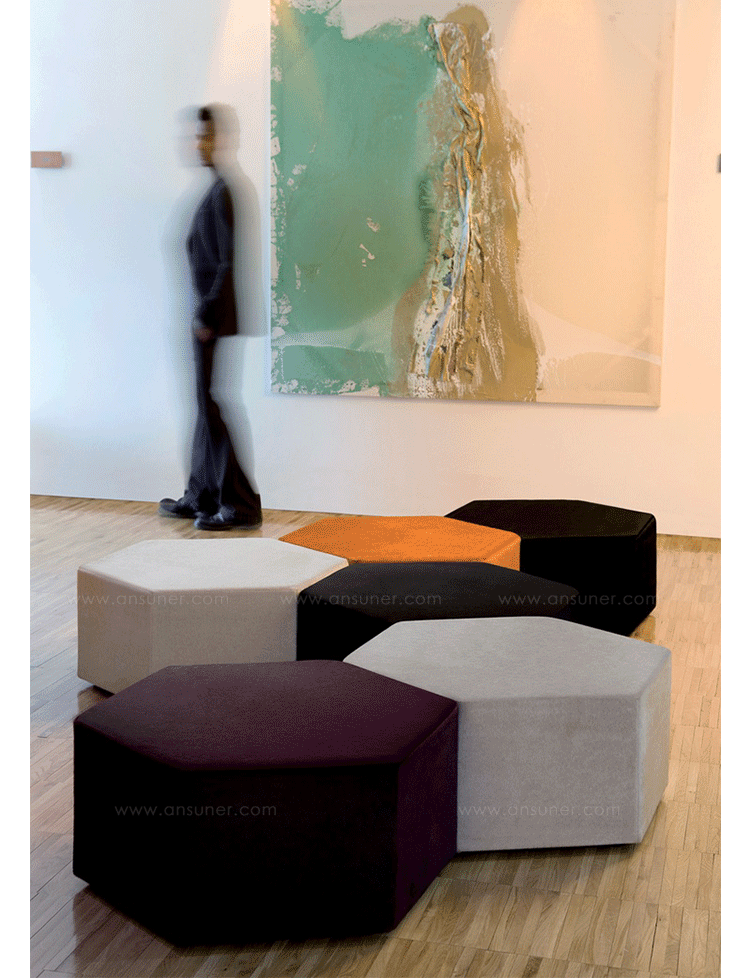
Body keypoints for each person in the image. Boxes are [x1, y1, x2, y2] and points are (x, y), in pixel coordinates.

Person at [159, 105, 262, 530]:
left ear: (221, 140)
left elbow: (226, 260)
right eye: (194, 136)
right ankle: (201, 495)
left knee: (212, 405)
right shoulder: (215, 189)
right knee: (204, 405)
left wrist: (205, 312)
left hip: (211, 320)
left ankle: (240, 505)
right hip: (205, 317)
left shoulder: (224, 191)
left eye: (205, 136)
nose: (197, 144)